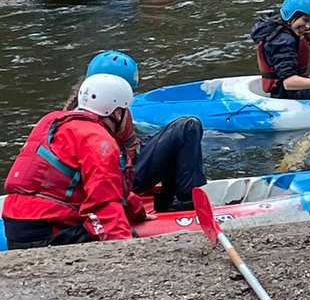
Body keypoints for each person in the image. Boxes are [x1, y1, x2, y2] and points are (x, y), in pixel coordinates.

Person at [2, 74, 147, 248]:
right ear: (116, 113)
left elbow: (104, 187)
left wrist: (137, 211)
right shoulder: (99, 141)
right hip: (47, 230)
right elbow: (101, 207)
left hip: (14, 223)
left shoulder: (52, 121)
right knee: (127, 236)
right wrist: (124, 246)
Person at [83, 51, 206, 213]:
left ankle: (171, 197)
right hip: (120, 176)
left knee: (182, 133)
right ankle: (186, 200)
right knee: (187, 127)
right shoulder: (93, 122)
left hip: (128, 164)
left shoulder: (114, 111)